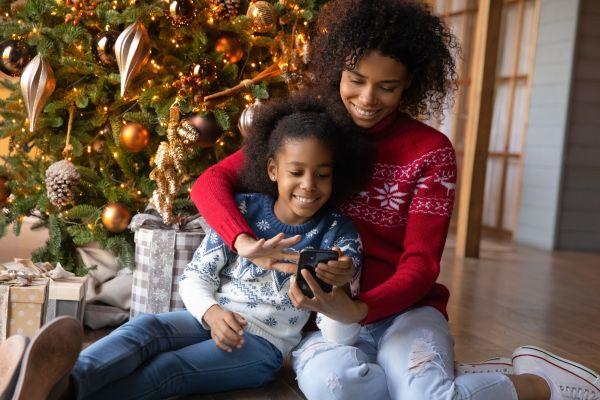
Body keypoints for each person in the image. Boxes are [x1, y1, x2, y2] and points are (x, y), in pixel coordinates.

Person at [190, 1, 600, 400]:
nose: (368, 98)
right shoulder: (312, 133)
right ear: (337, 72)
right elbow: (209, 183)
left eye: (386, 86)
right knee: (334, 390)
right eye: (356, 79)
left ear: (410, 83)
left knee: (430, 397)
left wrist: (360, 309)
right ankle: (442, 378)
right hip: (324, 322)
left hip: (405, 311)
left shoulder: (430, 152)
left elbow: (422, 264)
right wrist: (242, 242)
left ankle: (535, 383)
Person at [0, 95, 377, 400]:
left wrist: (337, 296)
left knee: (170, 369)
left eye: (322, 175)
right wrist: (212, 314)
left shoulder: (339, 236)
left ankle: (60, 391)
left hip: (263, 348)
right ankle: (56, 380)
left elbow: (339, 336)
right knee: (145, 328)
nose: (309, 185)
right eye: (296, 172)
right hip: (207, 317)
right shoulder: (243, 210)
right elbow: (196, 277)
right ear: (272, 170)